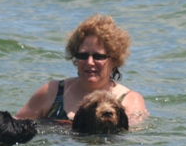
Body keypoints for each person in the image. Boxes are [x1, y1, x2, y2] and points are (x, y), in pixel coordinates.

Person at [15, 14, 148, 126]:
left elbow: (130, 140)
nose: (89, 62)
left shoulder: (129, 100)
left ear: (114, 60)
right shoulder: (52, 91)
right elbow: (16, 125)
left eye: (98, 56)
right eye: (83, 55)